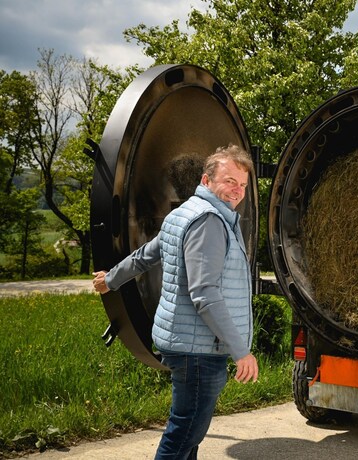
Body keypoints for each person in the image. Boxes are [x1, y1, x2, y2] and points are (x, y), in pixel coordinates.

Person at [93, 144, 259, 460]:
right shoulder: (208, 220)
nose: (236, 191)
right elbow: (205, 293)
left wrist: (110, 279)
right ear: (207, 180)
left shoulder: (182, 214)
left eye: (242, 185)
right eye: (229, 181)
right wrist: (242, 352)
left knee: (188, 437)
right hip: (197, 350)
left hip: (186, 343)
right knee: (183, 437)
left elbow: (144, 256)